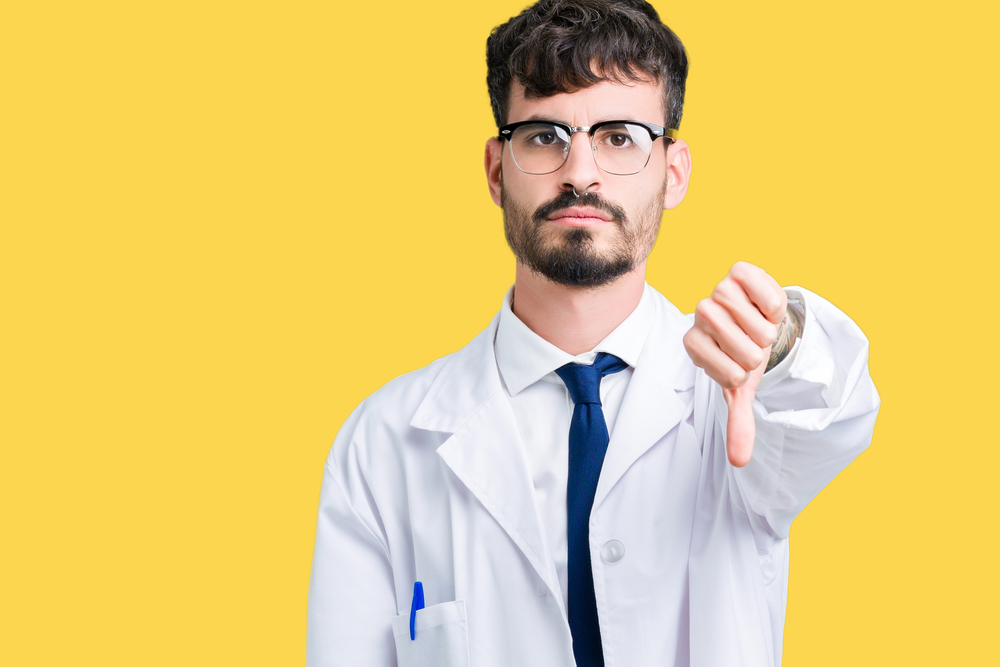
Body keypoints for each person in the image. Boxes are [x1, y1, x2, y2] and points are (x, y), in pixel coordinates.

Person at [307, 1, 880, 665]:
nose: (580, 172)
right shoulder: (383, 444)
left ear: (674, 171)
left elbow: (832, 413)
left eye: (620, 137)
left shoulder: (731, 395)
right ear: (497, 170)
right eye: (545, 136)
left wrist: (777, 345)